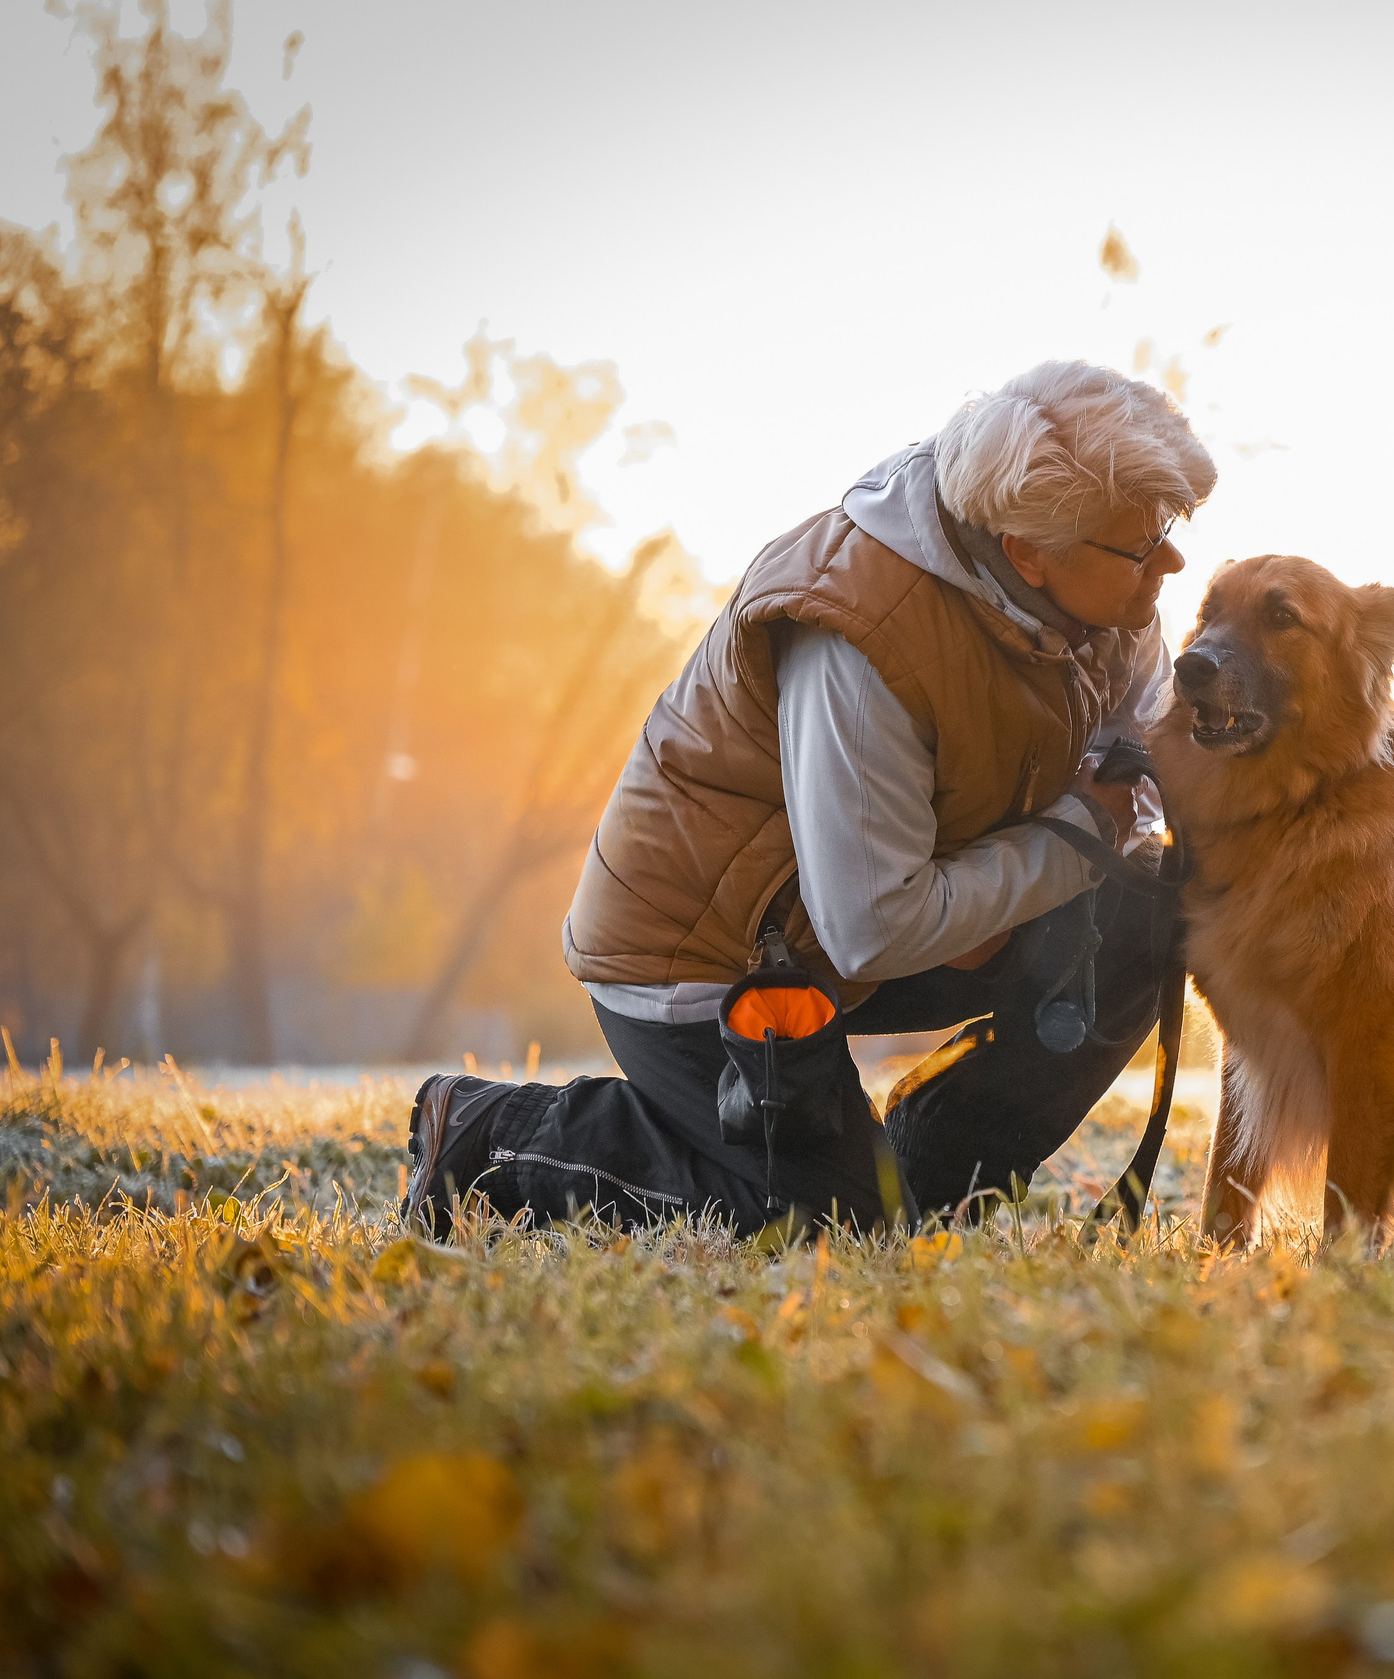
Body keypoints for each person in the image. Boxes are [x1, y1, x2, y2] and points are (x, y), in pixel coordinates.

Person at [402, 360, 1210, 1236]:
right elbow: (874, 928)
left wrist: (1087, 838)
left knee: (1149, 915)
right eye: (1141, 544)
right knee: (816, 1228)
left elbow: (1144, 764)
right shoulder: (858, 637)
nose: (1170, 559)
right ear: (1028, 554)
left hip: (888, 915)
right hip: (716, 957)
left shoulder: (1105, 598)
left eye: (1165, 527)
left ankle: (921, 1175)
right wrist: (1074, 836)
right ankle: (493, 1134)